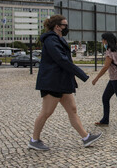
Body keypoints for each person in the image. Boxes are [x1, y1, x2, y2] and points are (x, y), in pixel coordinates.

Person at [28, 15, 102, 151]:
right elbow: (61, 60)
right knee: (46, 112)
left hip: (62, 81)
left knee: (72, 110)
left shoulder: (58, 39)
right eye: (65, 25)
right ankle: (34, 140)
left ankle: (86, 137)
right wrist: (80, 74)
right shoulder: (51, 40)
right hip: (52, 82)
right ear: (57, 27)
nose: (66, 27)